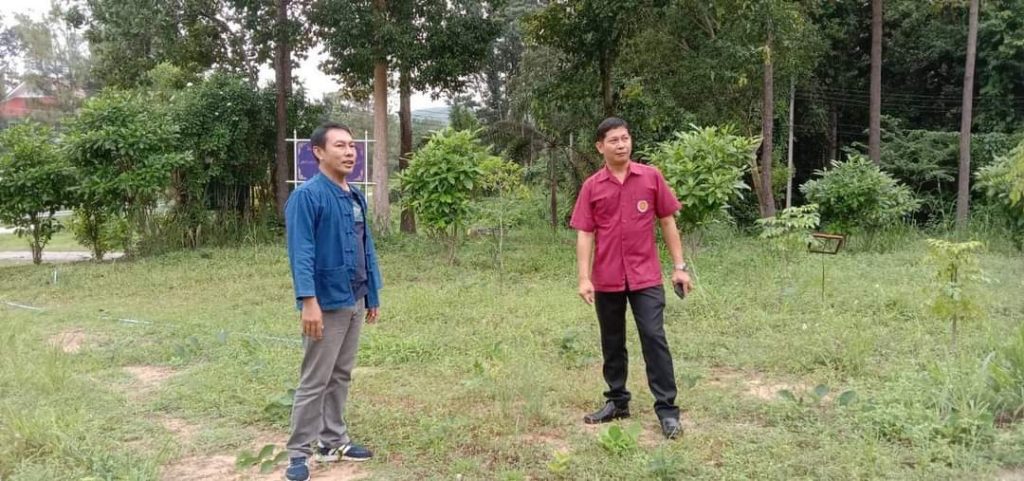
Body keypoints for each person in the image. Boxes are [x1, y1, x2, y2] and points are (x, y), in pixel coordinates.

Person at [570, 117, 694, 439]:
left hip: (645, 277)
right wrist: (584, 278)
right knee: (612, 342)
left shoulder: (651, 177)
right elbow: (585, 233)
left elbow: (667, 222)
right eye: (613, 140)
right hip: (607, 277)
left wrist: (680, 266)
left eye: (625, 138)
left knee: (654, 338)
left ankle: (667, 411)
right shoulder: (592, 186)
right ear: (600, 147)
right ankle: (617, 402)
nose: (621, 145)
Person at [284, 122, 382, 481]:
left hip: (354, 297)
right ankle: (299, 453)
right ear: (318, 152)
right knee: (315, 379)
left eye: (352, 146)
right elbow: (301, 253)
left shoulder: (354, 195)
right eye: (340, 145)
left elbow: (366, 247)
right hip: (325, 302)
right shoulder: (307, 197)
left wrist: (372, 293)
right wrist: (308, 301)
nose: (350, 152)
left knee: (340, 374)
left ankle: (332, 441)